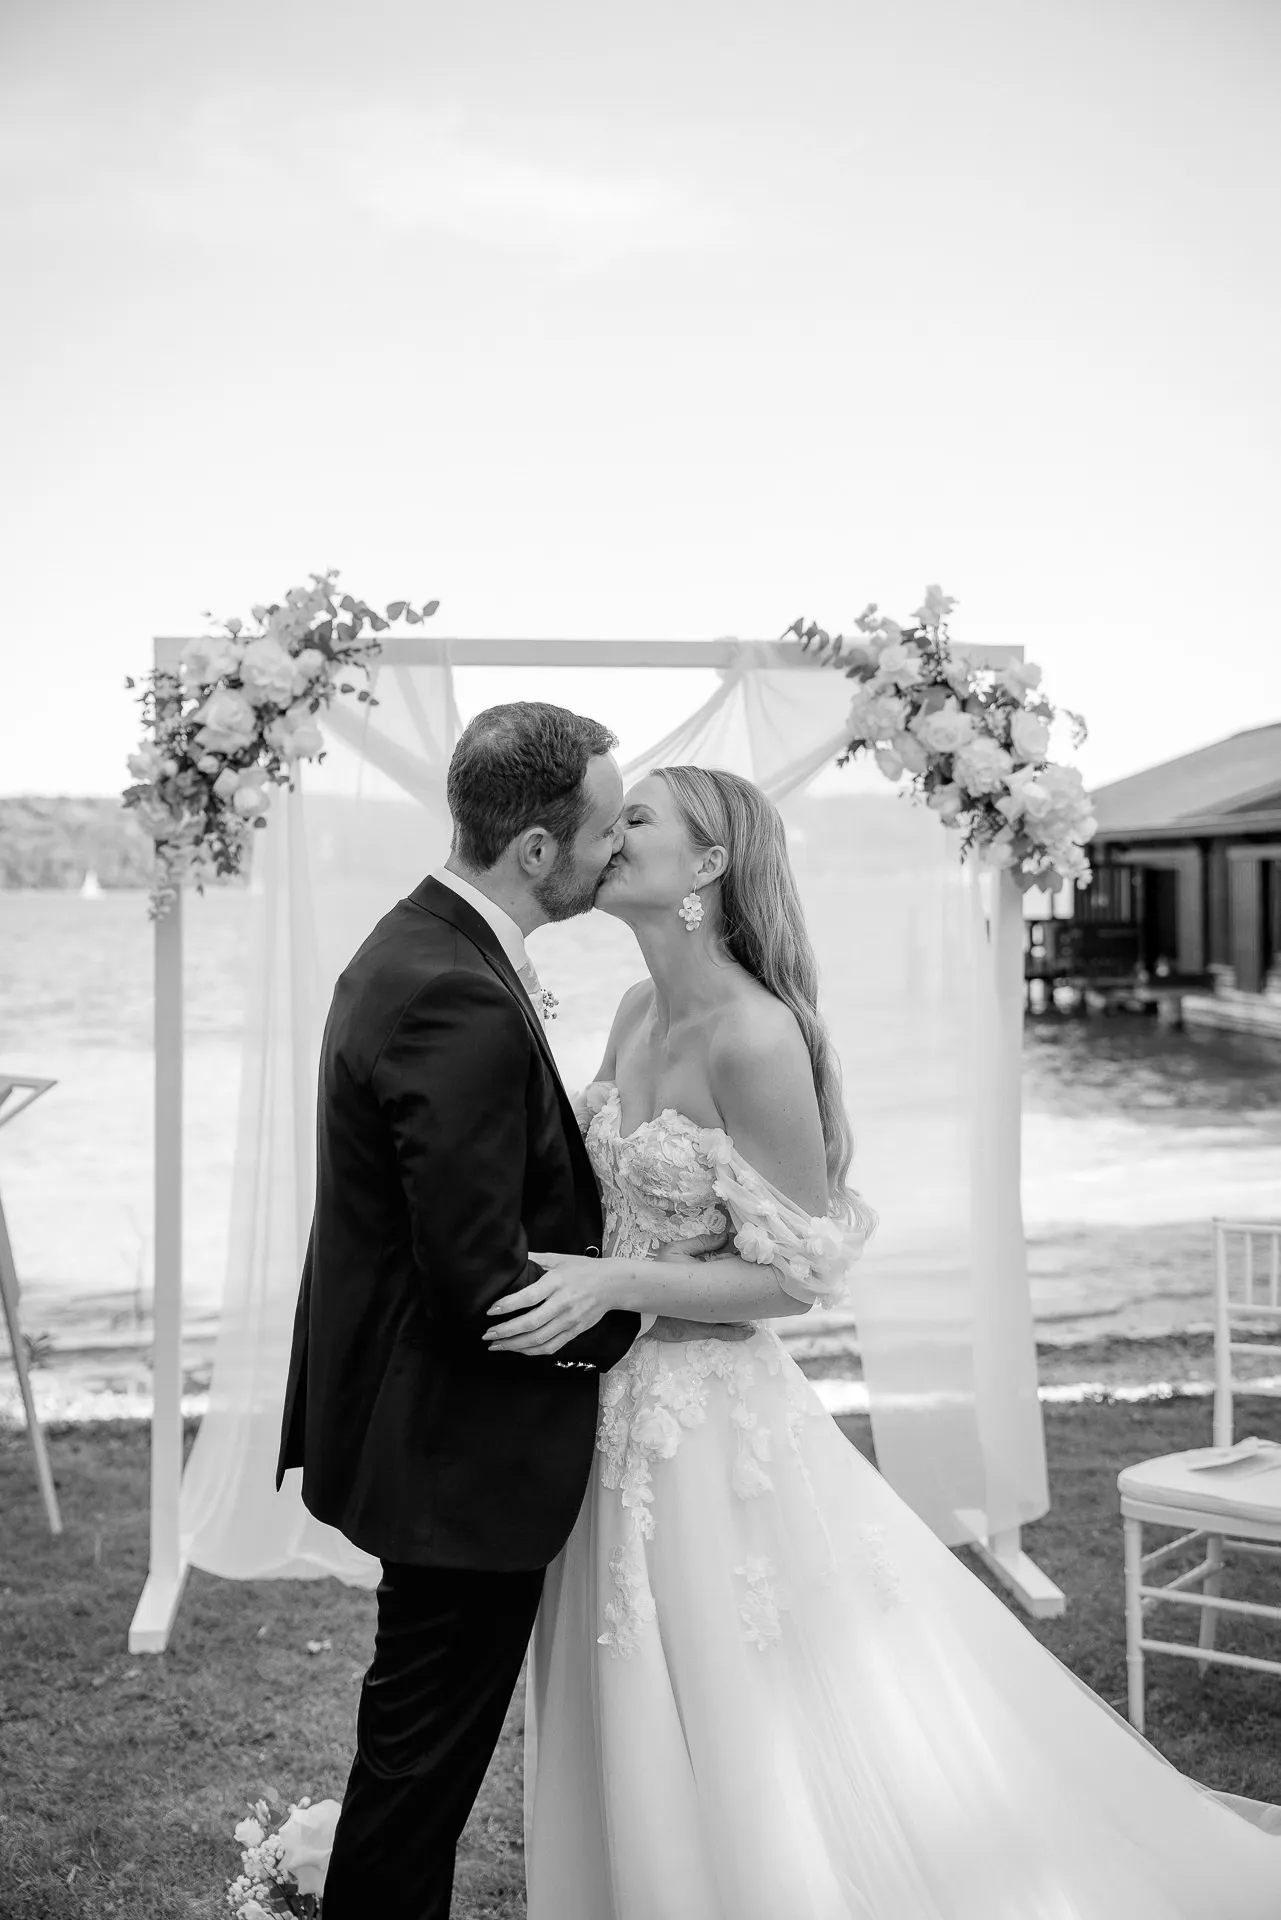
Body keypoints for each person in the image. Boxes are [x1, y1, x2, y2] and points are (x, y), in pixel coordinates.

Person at [486, 764, 1281, 1920]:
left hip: (710, 1418)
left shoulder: (756, 1039)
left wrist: (611, 1279)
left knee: (748, 1697)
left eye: (638, 818)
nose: (610, 834)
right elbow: (582, 1190)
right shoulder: (633, 1010)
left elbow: (793, 1276)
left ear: (707, 866)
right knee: (633, 1682)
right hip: (610, 1411)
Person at [276, 701, 648, 1920]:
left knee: (411, 1762)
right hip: (455, 1456)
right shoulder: (458, 993)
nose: (617, 848)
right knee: (417, 1780)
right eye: (603, 828)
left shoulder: (421, 942)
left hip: (411, 1430)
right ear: (536, 850)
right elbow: (481, 1282)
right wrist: (651, 1311)